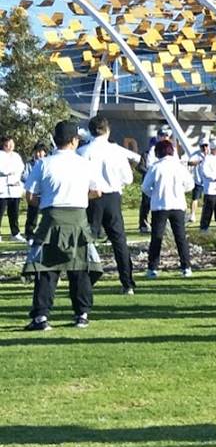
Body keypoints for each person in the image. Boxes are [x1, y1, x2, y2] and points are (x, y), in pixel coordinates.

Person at [23, 121, 103, 331]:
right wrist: (79, 197)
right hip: (78, 218)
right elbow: (97, 191)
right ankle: (82, 314)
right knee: (80, 268)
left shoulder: (43, 163)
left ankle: (41, 317)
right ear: (74, 140)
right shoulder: (84, 164)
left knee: (47, 270)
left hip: (51, 217)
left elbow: (29, 195)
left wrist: (46, 202)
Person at [77, 116, 138, 295]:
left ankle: (85, 280)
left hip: (91, 197)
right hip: (112, 197)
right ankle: (127, 283)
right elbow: (128, 178)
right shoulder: (116, 151)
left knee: (86, 240)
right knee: (119, 241)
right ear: (108, 130)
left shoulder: (82, 152)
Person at [140, 139, 194, 277]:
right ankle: (186, 267)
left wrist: (154, 194)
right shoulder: (179, 167)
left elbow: (145, 187)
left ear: (158, 153)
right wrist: (180, 191)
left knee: (156, 237)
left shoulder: (155, 167)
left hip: (160, 206)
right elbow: (190, 184)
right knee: (180, 237)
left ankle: (152, 268)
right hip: (178, 205)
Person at [0, 136, 25, 240]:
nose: (10, 146)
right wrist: (11, 170)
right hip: (2, 189)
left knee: (14, 213)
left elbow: (21, 168)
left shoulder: (16, 156)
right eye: (7, 144)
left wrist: (13, 171)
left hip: (15, 189)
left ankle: (15, 233)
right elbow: (3, 169)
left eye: (11, 144)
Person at [22, 142, 46, 242]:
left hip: (45, 193)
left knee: (47, 214)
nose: (38, 154)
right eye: (37, 152)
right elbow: (24, 176)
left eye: (41, 152)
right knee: (32, 214)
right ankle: (30, 234)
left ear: (45, 153)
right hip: (33, 192)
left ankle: (44, 234)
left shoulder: (48, 164)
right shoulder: (29, 164)